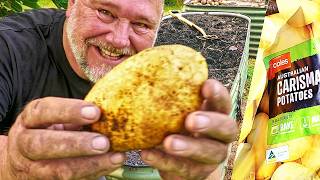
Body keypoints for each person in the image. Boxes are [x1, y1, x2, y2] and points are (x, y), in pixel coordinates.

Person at [0, 0, 238, 179]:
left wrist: (201, 171)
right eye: (105, 13)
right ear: (72, 3)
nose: (120, 40)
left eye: (141, 24)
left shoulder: (154, 77)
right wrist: (13, 164)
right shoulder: (8, 48)